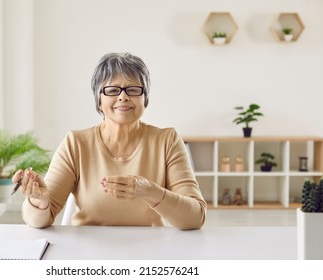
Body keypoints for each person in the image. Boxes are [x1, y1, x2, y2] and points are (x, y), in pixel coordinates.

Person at [13, 52, 207, 230]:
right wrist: (39, 201)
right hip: (88, 255)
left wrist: (150, 191)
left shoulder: (167, 141)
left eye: (132, 89)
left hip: (151, 255)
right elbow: (38, 221)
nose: (123, 96)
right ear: (99, 100)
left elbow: (195, 218)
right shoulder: (76, 143)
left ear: (145, 99)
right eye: (112, 90)